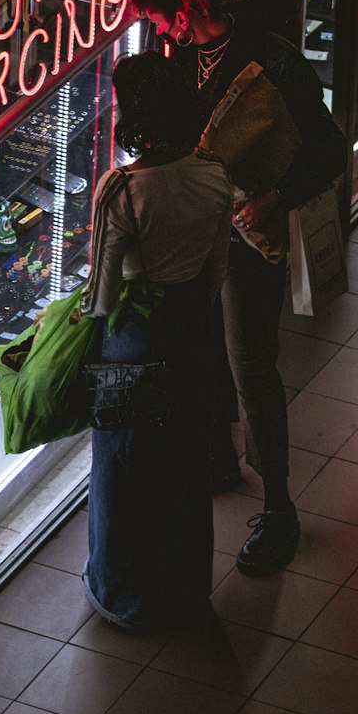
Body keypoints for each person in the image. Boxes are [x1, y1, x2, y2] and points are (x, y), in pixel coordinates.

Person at [131, 0, 346, 576]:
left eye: (155, 19)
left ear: (178, 14)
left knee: (252, 366)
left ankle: (280, 508)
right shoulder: (180, 61)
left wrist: (276, 199)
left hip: (252, 241)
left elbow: (329, 148)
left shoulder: (272, 61)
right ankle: (220, 460)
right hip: (199, 237)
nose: (153, 31)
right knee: (205, 353)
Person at [80, 51, 233, 630]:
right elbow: (216, 273)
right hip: (193, 333)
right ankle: (185, 587)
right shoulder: (215, 175)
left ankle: (123, 593)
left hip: (134, 344)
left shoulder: (122, 189)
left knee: (124, 469)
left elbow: (101, 295)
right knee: (186, 465)